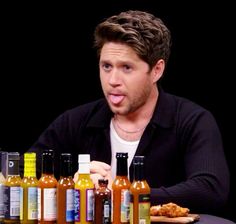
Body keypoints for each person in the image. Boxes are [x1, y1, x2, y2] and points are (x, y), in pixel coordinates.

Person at [22, 10, 233, 223]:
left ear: (157, 70)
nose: (113, 80)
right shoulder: (75, 121)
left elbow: (210, 190)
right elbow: (19, 176)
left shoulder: (192, 120)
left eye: (127, 68)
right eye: (106, 66)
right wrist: (74, 189)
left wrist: (122, 193)